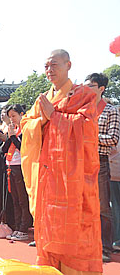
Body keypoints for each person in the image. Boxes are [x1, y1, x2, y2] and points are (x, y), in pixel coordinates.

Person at [21, 49, 103, 274]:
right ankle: (49, 267)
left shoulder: (83, 94)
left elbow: (87, 127)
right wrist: (41, 121)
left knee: (76, 223)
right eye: (46, 66)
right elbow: (26, 123)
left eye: (54, 65)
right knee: (49, 223)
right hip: (48, 175)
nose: (49, 70)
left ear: (69, 65)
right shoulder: (44, 99)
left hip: (74, 175)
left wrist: (54, 117)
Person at [85, 73, 120, 262]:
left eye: (91, 85)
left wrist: (90, 136)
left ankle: (105, 247)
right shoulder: (81, 109)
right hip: (81, 161)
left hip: (100, 161)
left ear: (101, 88)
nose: (87, 88)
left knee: (102, 207)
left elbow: (113, 139)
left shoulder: (110, 110)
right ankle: (87, 244)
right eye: (86, 85)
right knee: (84, 206)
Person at [0, 104, 32, 241]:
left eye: (14, 116)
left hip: (21, 166)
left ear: (21, 114)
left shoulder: (27, 128)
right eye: (10, 116)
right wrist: (9, 136)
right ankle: (17, 226)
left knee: (22, 199)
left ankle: (23, 228)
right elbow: (3, 150)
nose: (11, 119)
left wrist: (12, 137)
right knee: (15, 199)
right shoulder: (14, 129)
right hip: (10, 165)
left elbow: (23, 148)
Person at [108, 107, 120, 252]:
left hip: (114, 171)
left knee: (115, 206)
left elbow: (112, 148)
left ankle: (116, 238)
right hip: (113, 172)